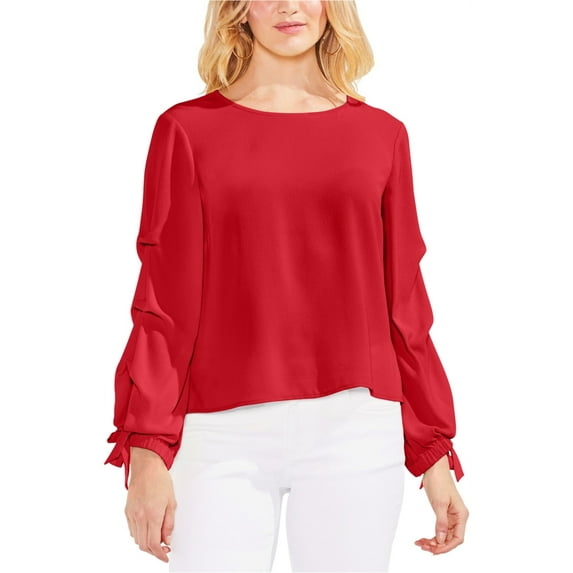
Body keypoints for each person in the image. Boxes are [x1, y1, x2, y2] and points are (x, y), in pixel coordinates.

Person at [104, 1, 470, 571]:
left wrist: (433, 451)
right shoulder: (186, 131)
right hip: (219, 432)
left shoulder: (382, 135)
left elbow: (405, 303)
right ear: (238, 10)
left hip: (355, 427)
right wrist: (147, 447)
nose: (288, 6)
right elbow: (163, 304)